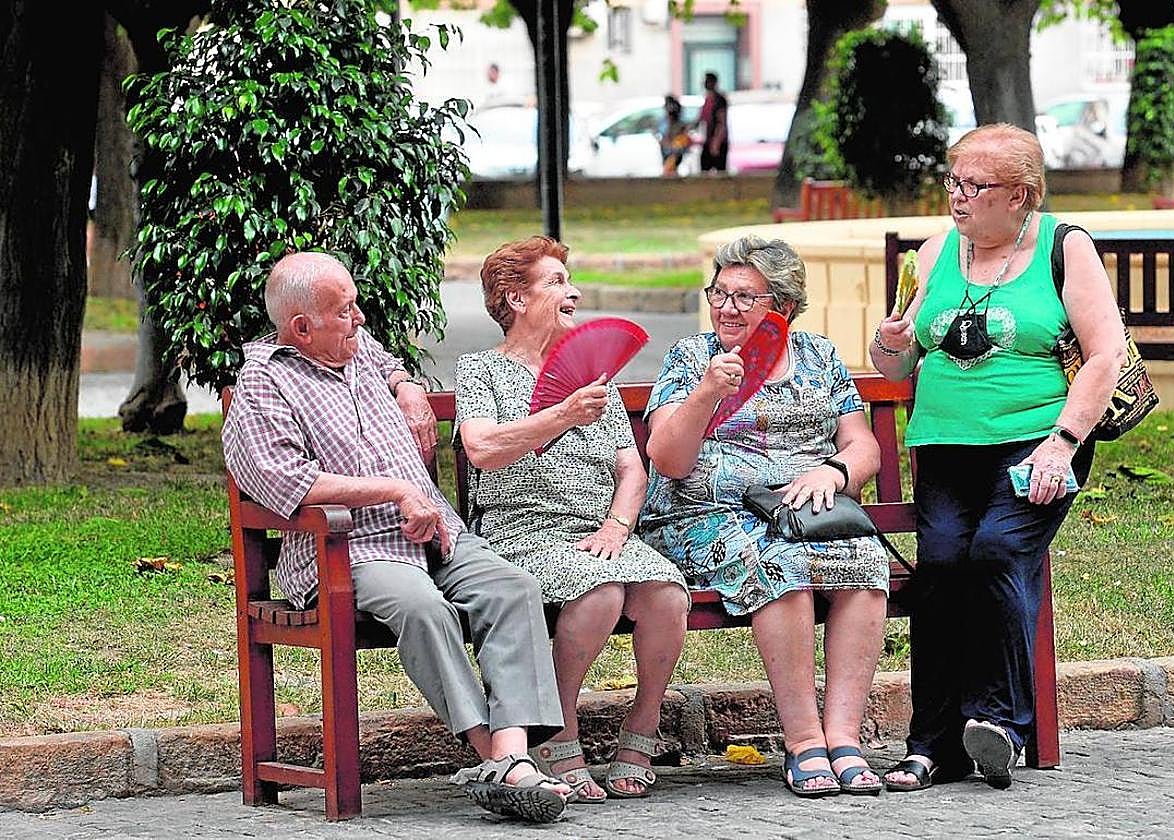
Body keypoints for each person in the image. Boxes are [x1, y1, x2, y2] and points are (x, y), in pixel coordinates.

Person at [221, 252, 571, 823]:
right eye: (345, 310)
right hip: (348, 548)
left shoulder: (356, 349)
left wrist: (406, 384)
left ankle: (511, 756)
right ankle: (495, 760)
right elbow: (283, 480)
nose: (359, 317)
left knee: (512, 589)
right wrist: (392, 490)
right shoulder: (266, 383)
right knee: (423, 608)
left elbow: (386, 357)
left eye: (356, 303)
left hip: (432, 532)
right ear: (300, 328)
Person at [870, 123, 1126, 791]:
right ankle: (930, 746)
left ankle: (999, 724)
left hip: (1038, 442)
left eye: (974, 185)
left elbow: (1106, 355)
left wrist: (1062, 444)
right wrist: (890, 340)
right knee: (944, 569)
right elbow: (897, 365)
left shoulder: (1063, 247)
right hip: (946, 444)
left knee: (996, 551)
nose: (957, 197)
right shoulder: (933, 254)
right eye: (952, 181)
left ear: (1020, 196)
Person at [640, 234, 888, 798]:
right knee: (780, 569)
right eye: (719, 293)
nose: (726, 308)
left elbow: (862, 445)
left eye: (744, 297)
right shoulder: (691, 357)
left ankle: (844, 738)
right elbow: (669, 458)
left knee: (865, 562)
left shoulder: (820, 355)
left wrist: (834, 473)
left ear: (784, 307)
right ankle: (803, 741)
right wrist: (707, 392)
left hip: (801, 509)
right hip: (706, 512)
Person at [455, 236, 690, 803]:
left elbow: (632, 468)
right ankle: (558, 731)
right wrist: (561, 414)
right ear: (515, 298)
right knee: (601, 593)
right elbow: (482, 448)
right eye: (556, 281)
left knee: (666, 594)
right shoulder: (481, 369)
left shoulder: (591, 373)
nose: (574, 291)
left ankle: (642, 731)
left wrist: (617, 526)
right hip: (520, 531)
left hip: (598, 531)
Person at [697, 71, 728, 173]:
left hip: (717, 141)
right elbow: (701, 119)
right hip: (708, 140)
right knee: (704, 168)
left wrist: (717, 142)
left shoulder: (719, 100)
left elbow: (721, 122)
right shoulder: (707, 100)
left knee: (719, 171)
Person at [659, 94, 691, 176]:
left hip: (675, 149)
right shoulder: (665, 122)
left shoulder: (678, 125)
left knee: (671, 168)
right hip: (669, 149)